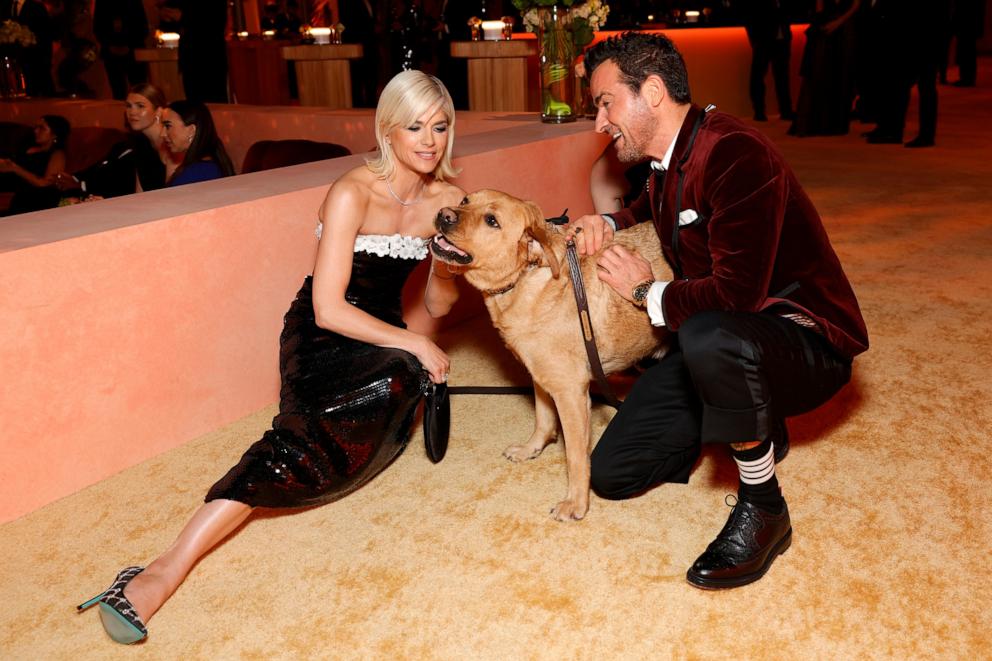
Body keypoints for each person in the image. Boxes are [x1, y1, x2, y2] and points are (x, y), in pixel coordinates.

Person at [77, 70, 466, 644]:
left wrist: (449, 264)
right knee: (329, 418)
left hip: (382, 336)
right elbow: (329, 307)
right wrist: (414, 340)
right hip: (321, 333)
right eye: (414, 126)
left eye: (439, 126)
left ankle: (326, 444)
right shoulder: (352, 190)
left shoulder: (450, 199)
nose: (429, 140)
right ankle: (163, 568)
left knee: (398, 377)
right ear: (388, 128)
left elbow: (436, 302)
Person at [567, 32, 868, 589]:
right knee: (612, 473)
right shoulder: (666, 158)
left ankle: (765, 507)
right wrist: (608, 222)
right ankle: (749, 416)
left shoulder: (735, 152)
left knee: (706, 333)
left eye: (606, 102)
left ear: (651, 92)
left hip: (805, 340)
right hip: (731, 341)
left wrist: (646, 293)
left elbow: (735, 296)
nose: (598, 121)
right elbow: (656, 204)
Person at [53, 83, 174, 200]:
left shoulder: (171, 142)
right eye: (128, 106)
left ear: (158, 111)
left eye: (140, 106)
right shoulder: (141, 143)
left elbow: (172, 194)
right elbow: (139, 194)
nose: (132, 112)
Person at [789, 0, 861, 137]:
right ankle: (817, 122)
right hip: (827, 29)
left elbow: (856, 6)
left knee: (841, 76)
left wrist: (839, 22)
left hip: (845, 31)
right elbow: (819, 8)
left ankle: (834, 124)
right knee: (820, 74)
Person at [0, 114, 69, 215]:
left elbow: (45, 183)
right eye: (36, 127)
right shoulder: (28, 147)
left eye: (41, 128)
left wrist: (15, 169)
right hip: (15, 189)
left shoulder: (57, 154)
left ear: (55, 134)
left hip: (36, 197)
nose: (35, 131)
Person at [159, 100, 235, 186]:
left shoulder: (197, 173)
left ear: (191, 130)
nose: (163, 134)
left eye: (168, 126)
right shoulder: (211, 163)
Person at [742, 0, 795, 122]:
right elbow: (749, 16)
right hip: (764, 40)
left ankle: (785, 110)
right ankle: (760, 111)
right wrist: (755, 39)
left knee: (782, 77)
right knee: (758, 76)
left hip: (782, 39)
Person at [93, 0, 150, 100]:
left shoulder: (133, 3)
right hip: (115, 53)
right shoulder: (102, 3)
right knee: (119, 91)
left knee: (138, 90)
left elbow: (143, 27)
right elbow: (98, 27)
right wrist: (111, 44)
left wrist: (128, 44)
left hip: (133, 53)